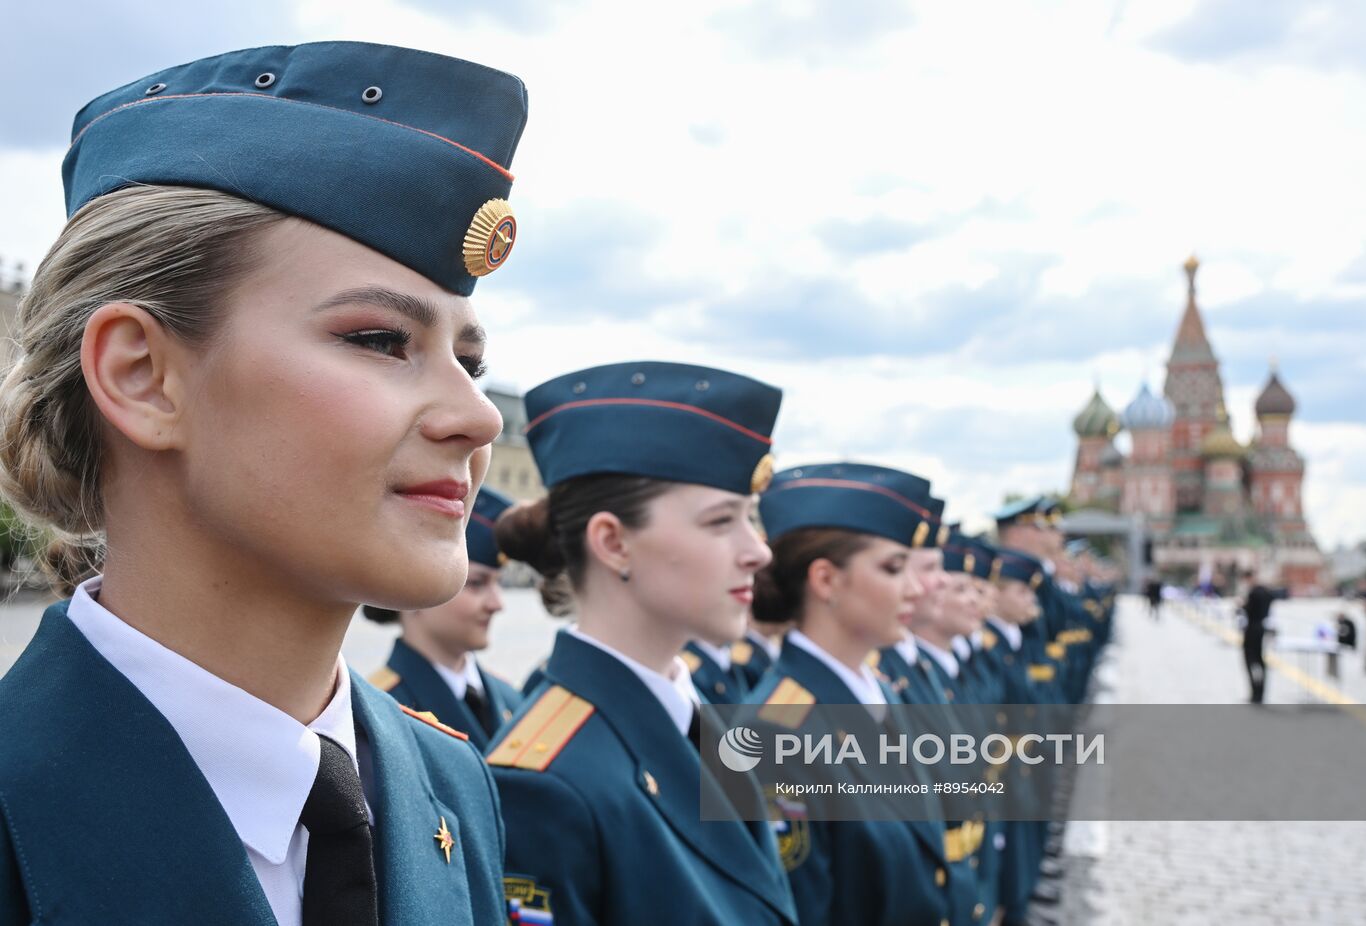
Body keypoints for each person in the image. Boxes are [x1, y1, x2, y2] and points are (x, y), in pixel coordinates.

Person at [0, 41, 528, 925]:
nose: (478, 419)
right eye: (379, 340)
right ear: (140, 376)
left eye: (470, 362)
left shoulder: (446, 781)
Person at [486, 361, 798, 926]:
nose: (759, 552)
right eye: (721, 521)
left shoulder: (695, 722)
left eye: (751, 520)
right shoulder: (547, 785)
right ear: (613, 542)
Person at [746, 462, 957, 926]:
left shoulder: (876, 689)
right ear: (826, 580)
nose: (916, 588)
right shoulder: (774, 733)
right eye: (893, 567)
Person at [365, 486, 523, 746]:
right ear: (413, 589)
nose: (497, 604)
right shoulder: (377, 716)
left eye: (499, 583)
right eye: (476, 583)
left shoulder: (511, 698)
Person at [1240, 570, 1273, 704]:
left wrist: (1242, 605)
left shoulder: (1254, 593)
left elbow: (1249, 610)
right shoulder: (1265, 591)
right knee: (1259, 660)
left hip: (1252, 629)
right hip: (1261, 628)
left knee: (1251, 661)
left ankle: (1256, 692)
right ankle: (1260, 691)